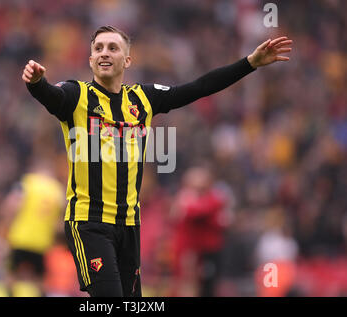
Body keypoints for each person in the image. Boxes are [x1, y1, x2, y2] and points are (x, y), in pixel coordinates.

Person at [21, 25, 292, 297]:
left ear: (127, 60)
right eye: (98, 48)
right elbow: (50, 97)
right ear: (91, 59)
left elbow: (198, 88)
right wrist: (36, 83)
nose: (104, 53)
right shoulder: (76, 95)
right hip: (88, 223)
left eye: (113, 48)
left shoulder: (143, 98)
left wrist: (250, 63)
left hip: (128, 224)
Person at [0, 160, 64, 296]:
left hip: (21, 237)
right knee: (40, 279)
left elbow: (12, 204)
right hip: (43, 241)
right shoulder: (57, 190)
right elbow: (60, 219)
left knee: (11, 274)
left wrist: (5, 223)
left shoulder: (28, 182)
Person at [171, 165, 229, 296]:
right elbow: (193, 212)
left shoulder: (213, 197)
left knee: (207, 286)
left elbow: (222, 220)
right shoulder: (185, 197)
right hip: (188, 251)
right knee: (187, 283)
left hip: (208, 251)